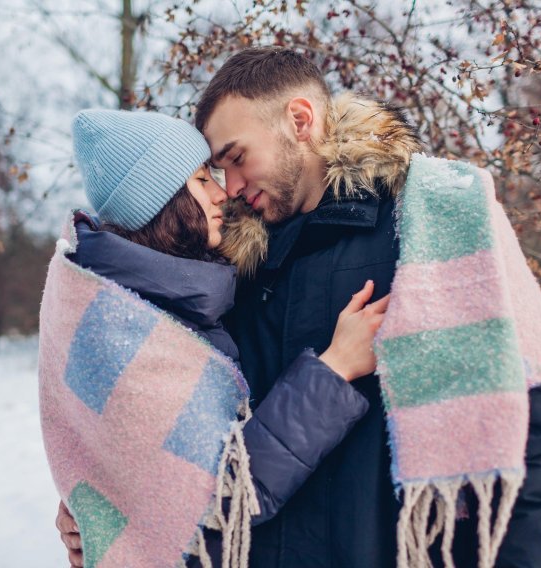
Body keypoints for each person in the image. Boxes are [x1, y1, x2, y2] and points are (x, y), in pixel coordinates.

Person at [58, 48, 541, 567]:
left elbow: (537, 426)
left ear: (300, 120)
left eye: (236, 158)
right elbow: (179, 441)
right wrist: (106, 506)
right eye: (216, 170)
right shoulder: (226, 272)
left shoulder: (434, 221)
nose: (230, 187)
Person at [45, 108, 389, 567]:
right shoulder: (125, 324)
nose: (222, 191)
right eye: (201, 178)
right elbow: (222, 494)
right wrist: (336, 368)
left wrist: (102, 506)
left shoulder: (156, 294)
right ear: (161, 199)